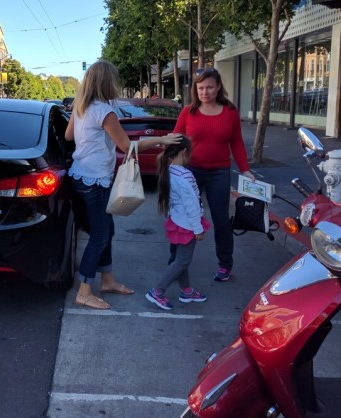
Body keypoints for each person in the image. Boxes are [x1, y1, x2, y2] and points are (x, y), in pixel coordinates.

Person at [64, 59, 182, 310]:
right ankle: (84, 291)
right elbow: (127, 146)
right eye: (114, 80)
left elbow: (68, 135)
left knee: (107, 230)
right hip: (95, 181)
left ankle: (107, 280)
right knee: (100, 236)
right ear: (106, 82)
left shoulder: (81, 107)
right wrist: (162, 139)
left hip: (80, 176)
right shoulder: (104, 111)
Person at [173, 67, 254, 282]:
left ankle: (225, 264)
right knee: (183, 216)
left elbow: (236, 143)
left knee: (221, 220)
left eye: (209, 87)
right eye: (200, 88)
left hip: (219, 172)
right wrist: (170, 166)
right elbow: (175, 139)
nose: (205, 92)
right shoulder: (188, 112)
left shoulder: (230, 112)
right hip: (191, 171)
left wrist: (245, 169)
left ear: (218, 87)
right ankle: (176, 261)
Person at [145, 136, 209, 310]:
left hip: (177, 221)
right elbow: (192, 205)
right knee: (182, 261)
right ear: (184, 152)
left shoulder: (170, 171)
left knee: (181, 259)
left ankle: (186, 291)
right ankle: (157, 291)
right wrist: (198, 228)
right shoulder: (185, 176)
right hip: (187, 224)